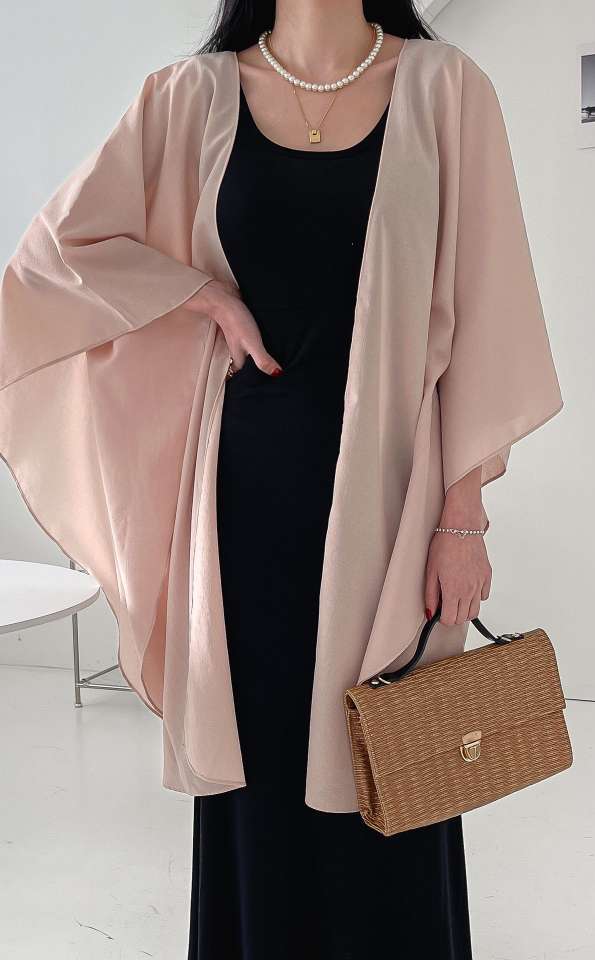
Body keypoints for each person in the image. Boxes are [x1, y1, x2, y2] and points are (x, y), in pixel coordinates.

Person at [0, 2, 563, 958]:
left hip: (393, 509)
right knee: (259, 772)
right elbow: (55, 256)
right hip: (242, 510)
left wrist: (463, 516)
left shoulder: (446, 89)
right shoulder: (188, 97)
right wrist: (201, 293)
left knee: (397, 763)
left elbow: (487, 305)